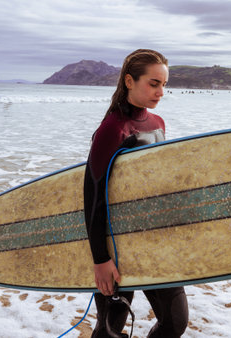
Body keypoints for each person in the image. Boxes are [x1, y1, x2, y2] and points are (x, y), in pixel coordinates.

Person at [84, 49, 189, 337]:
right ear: (130, 81)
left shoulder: (158, 124)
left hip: (152, 239)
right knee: (111, 328)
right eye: (153, 84)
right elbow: (93, 197)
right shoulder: (111, 129)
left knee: (175, 321)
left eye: (164, 85)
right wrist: (100, 260)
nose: (161, 92)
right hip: (116, 246)